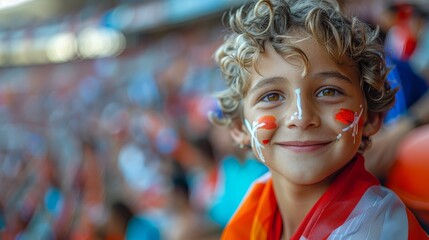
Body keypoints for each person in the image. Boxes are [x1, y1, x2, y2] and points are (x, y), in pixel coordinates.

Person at [209, 0, 429, 239]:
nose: (301, 118)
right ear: (240, 126)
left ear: (370, 117)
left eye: (328, 92)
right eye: (271, 96)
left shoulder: (379, 230)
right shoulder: (257, 200)